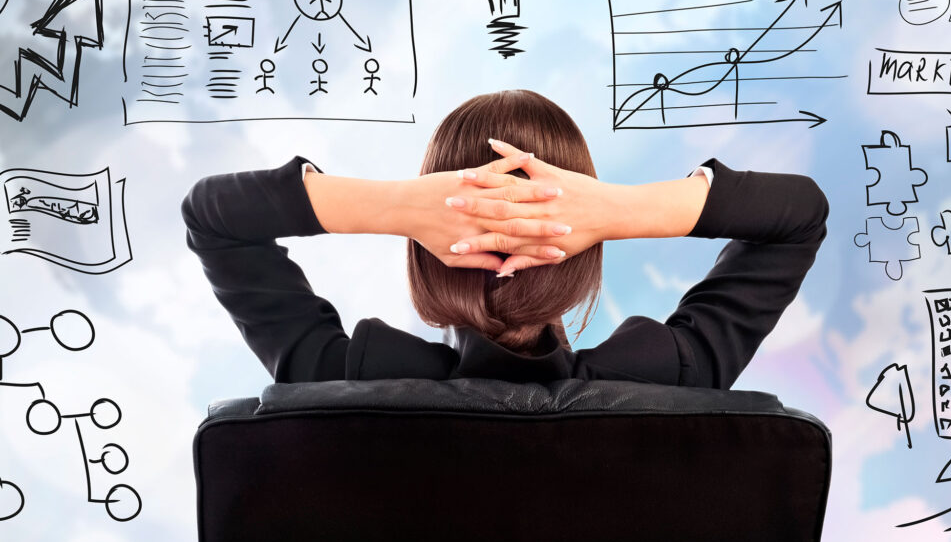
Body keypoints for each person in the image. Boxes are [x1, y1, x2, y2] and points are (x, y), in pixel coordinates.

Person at [181, 89, 829, 389]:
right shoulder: (677, 381)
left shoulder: (337, 381)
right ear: (586, 250)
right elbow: (798, 215)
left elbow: (215, 217)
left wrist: (398, 202)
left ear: (424, 249)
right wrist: (622, 208)